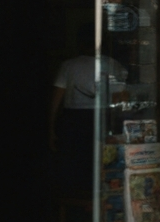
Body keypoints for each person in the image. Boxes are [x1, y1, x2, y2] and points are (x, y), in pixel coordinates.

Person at [50, 23, 129, 195]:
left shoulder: (69, 66)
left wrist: (51, 127)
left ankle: (75, 199)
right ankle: (101, 199)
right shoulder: (112, 65)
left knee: (75, 164)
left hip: (74, 120)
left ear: (79, 43)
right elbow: (122, 98)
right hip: (102, 117)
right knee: (102, 163)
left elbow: (56, 99)